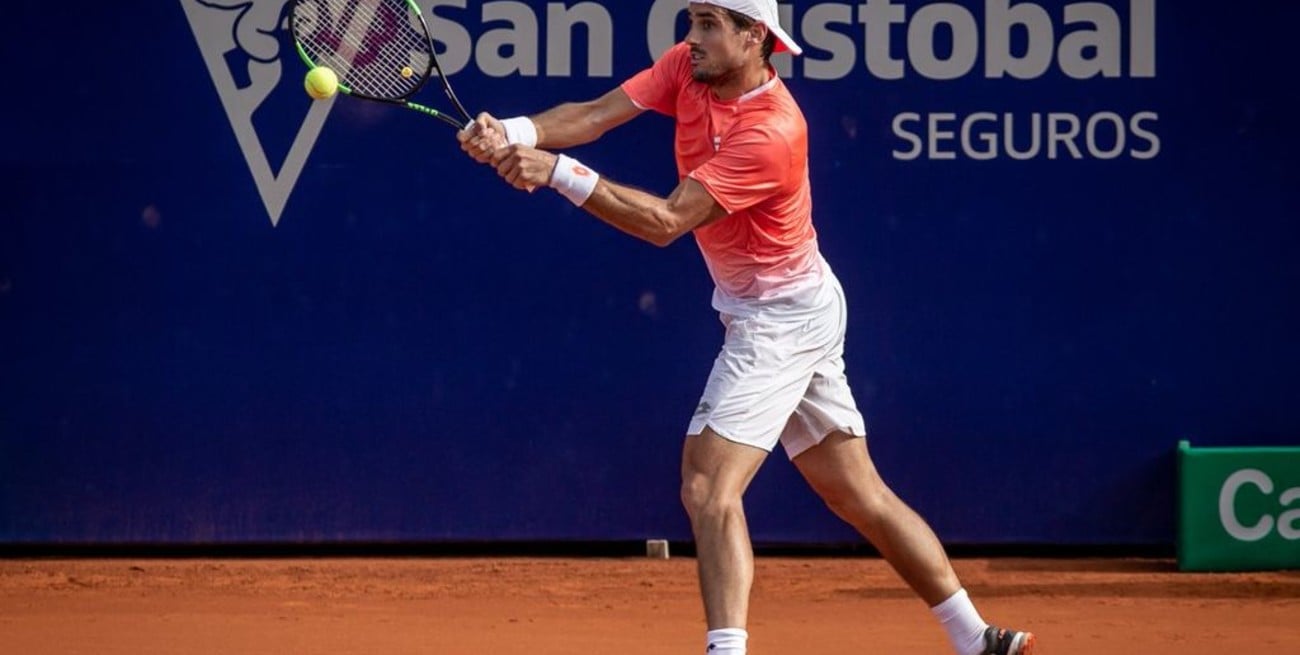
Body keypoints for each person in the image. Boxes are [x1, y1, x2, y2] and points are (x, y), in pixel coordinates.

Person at [457, 1, 1036, 653]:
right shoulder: (688, 68)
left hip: (781, 318)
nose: (691, 38)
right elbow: (594, 115)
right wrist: (514, 132)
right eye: (691, 21)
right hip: (794, 304)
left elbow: (667, 222)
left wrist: (558, 173)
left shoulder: (773, 130)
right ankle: (976, 637)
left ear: (755, 36)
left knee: (708, 482)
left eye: (709, 24)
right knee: (857, 492)